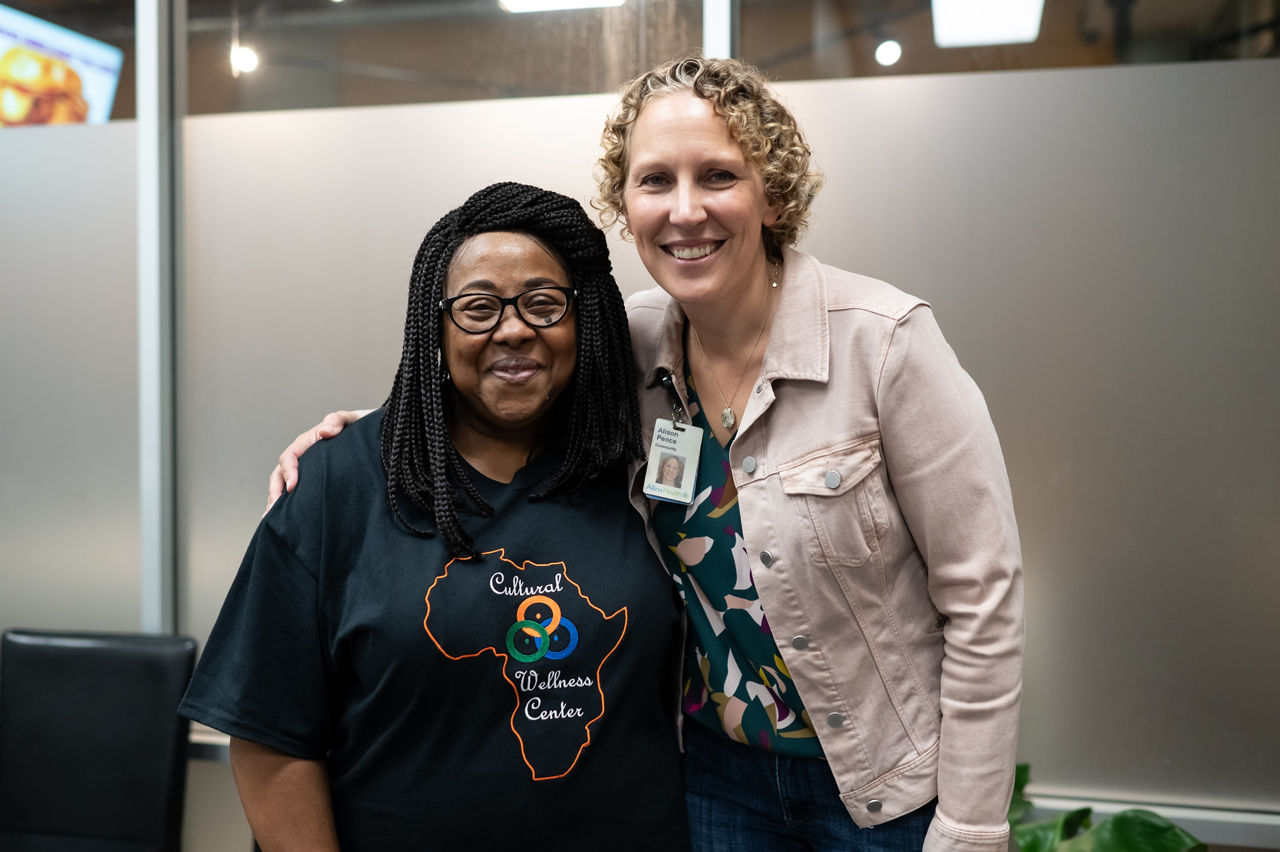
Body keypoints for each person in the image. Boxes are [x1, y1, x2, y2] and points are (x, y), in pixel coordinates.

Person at [270, 56, 1024, 852]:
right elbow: (495, 373)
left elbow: (984, 599)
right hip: (714, 779)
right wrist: (359, 435)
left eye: (719, 176)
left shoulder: (885, 343)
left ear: (773, 194)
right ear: (625, 204)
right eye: (656, 181)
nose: (686, 210)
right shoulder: (625, 345)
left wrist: (971, 826)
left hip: (884, 791)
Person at [181, 182, 690, 851]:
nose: (513, 329)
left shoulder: (633, 467)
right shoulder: (339, 487)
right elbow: (269, 740)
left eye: (543, 304)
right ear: (436, 326)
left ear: (583, 320)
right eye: (478, 308)